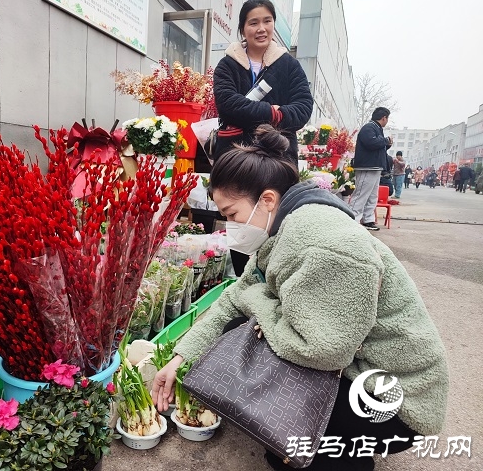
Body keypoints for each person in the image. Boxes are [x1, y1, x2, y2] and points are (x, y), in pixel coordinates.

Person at [152, 125, 448, 471]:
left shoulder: (322, 245)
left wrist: (259, 306)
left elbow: (323, 351)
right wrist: (180, 358)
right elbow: (236, 298)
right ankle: (329, 443)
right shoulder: (284, 227)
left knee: (284, 436)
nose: (230, 226)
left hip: (395, 401)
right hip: (358, 366)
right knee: (236, 327)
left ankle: (344, 451)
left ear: (266, 200)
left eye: (231, 214)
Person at [211, 0, 313, 276]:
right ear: (243, 29)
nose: (261, 28)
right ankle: (244, 282)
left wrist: (268, 116)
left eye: (267, 21)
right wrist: (273, 112)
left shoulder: (288, 66)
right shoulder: (228, 65)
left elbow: (303, 109)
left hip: (277, 157)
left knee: (275, 217)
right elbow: (228, 105)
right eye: (253, 22)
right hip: (236, 157)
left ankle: (275, 280)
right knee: (238, 217)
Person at [347, 107, 392, 231]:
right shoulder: (369, 128)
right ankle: (352, 219)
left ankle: (368, 220)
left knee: (372, 196)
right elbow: (371, 143)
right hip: (367, 167)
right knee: (361, 194)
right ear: (384, 118)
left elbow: (376, 148)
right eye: (387, 118)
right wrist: (385, 140)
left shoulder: (376, 129)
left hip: (375, 167)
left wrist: (386, 144)